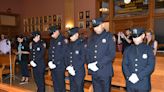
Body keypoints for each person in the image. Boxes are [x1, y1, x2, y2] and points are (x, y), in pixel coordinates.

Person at [86, 17, 116, 92]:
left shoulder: (109, 36)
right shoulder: (91, 38)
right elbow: (88, 52)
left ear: (102, 25)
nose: (95, 29)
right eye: (94, 27)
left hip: (104, 71)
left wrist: (97, 64)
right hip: (94, 71)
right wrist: (89, 63)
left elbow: (111, 54)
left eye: (97, 26)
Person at [122, 27, 155, 92]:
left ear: (143, 36)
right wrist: (129, 76)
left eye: (137, 36)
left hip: (143, 83)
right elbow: (124, 65)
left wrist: (138, 76)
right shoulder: (128, 49)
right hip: (130, 83)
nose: (135, 39)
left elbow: (151, 66)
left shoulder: (148, 49)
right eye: (134, 37)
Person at [65, 27, 85, 92]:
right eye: (69, 36)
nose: (70, 37)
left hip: (79, 72)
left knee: (79, 89)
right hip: (71, 71)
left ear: (76, 35)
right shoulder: (69, 44)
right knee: (72, 89)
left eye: (71, 36)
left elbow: (82, 59)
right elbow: (66, 57)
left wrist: (74, 68)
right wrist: (68, 66)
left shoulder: (82, 44)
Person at [48, 26, 66, 92]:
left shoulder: (63, 40)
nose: (51, 35)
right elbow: (50, 51)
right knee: (55, 83)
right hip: (53, 65)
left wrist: (55, 62)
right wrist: (50, 61)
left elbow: (63, 53)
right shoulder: (52, 40)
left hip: (60, 65)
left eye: (52, 33)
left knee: (60, 84)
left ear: (57, 31)